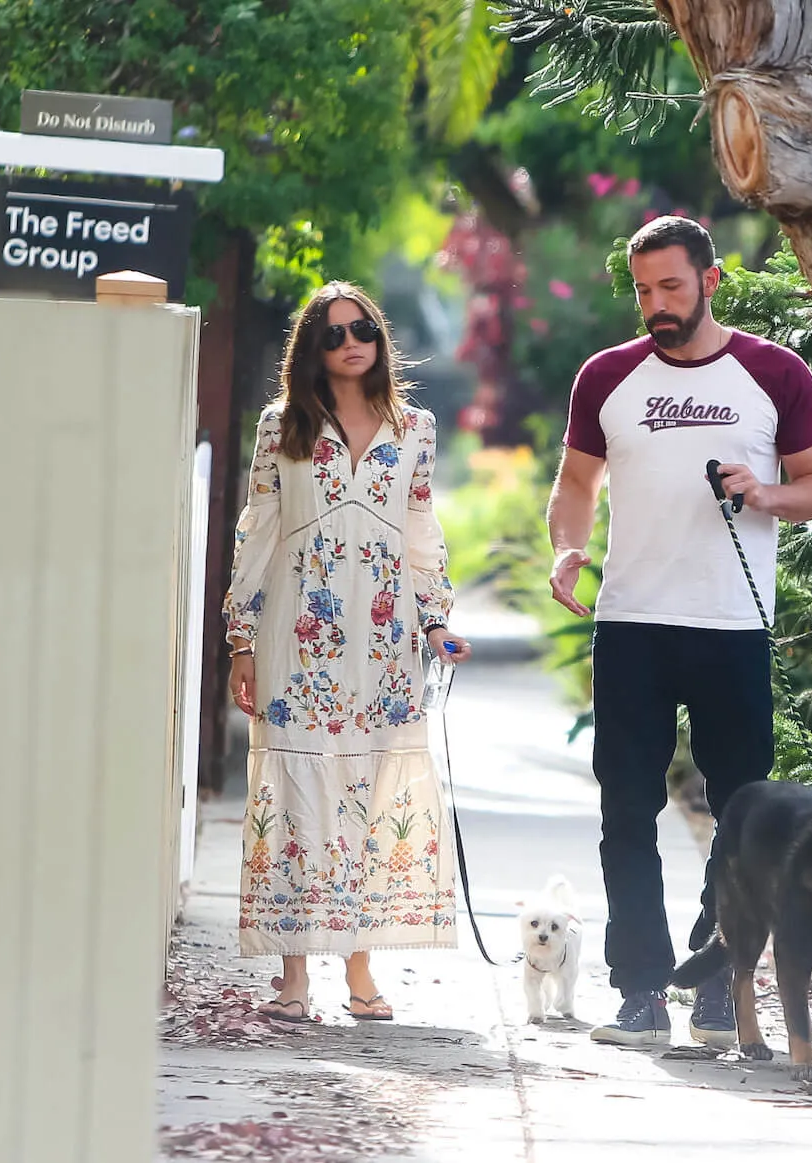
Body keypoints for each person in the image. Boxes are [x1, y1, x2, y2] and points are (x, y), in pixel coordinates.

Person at [547, 216, 812, 1046]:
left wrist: (765, 491)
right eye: (643, 289)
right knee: (625, 811)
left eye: (671, 286)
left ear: (710, 281)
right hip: (633, 622)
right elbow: (575, 481)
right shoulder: (607, 376)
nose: (655, 304)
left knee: (741, 814)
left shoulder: (774, 374)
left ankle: (717, 982)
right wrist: (569, 548)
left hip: (731, 624)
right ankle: (640, 989)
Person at [224, 281, 471, 1023]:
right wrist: (241, 639)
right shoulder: (282, 426)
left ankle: (361, 969)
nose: (349, 341)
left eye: (360, 327)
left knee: (367, 800)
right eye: (331, 334)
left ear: (378, 336)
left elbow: (421, 533)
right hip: (298, 639)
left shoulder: (415, 427)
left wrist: (436, 622)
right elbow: (257, 530)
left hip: (385, 642)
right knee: (299, 798)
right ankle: (295, 974)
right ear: (311, 350)